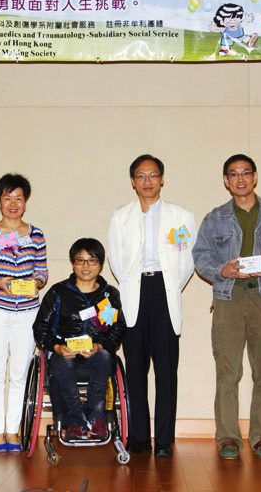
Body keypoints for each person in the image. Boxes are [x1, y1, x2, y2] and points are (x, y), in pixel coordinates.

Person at [192, 153, 261, 461]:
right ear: (226, 181)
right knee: (228, 372)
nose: (240, 179)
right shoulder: (215, 218)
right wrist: (221, 270)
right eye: (233, 174)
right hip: (228, 299)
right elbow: (200, 257)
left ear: (255, 177)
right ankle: (228, 437)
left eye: (245, 173)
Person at [107, 154, 197, 457]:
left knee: (166, 372)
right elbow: (116, 261)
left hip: (165, 292)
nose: (148, 181)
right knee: (135, 371)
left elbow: (187, 261)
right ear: (133, 182)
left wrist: (169, 283)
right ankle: (139, 439)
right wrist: (132, 283)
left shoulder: (181, 216)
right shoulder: (120, 216)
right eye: (141, 176)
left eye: (153, 175)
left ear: (162, 179)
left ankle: (164, 442)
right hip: (134, 293)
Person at [0, 174, 48, 452]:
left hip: (27, 311)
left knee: (20, 372)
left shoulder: (36, 234)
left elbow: (42, 271)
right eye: (7, 198)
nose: (13, 204)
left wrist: (36, 282)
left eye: (18, 198)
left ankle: (13, 430)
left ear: (26, 202)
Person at [33, 238, 126, 441]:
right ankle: (76, 419)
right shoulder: (58, 292)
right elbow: (40, 327)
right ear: (72, 263)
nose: (85, 266)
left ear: (100, 264)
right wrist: (57, 347)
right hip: (65, 355)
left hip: (96, 355)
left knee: (104, 358)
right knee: (62, 362)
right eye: (80, 260)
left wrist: (100, 345)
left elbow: (118, 328)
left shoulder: (109, 295)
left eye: (91, 260)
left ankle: (96, 416)